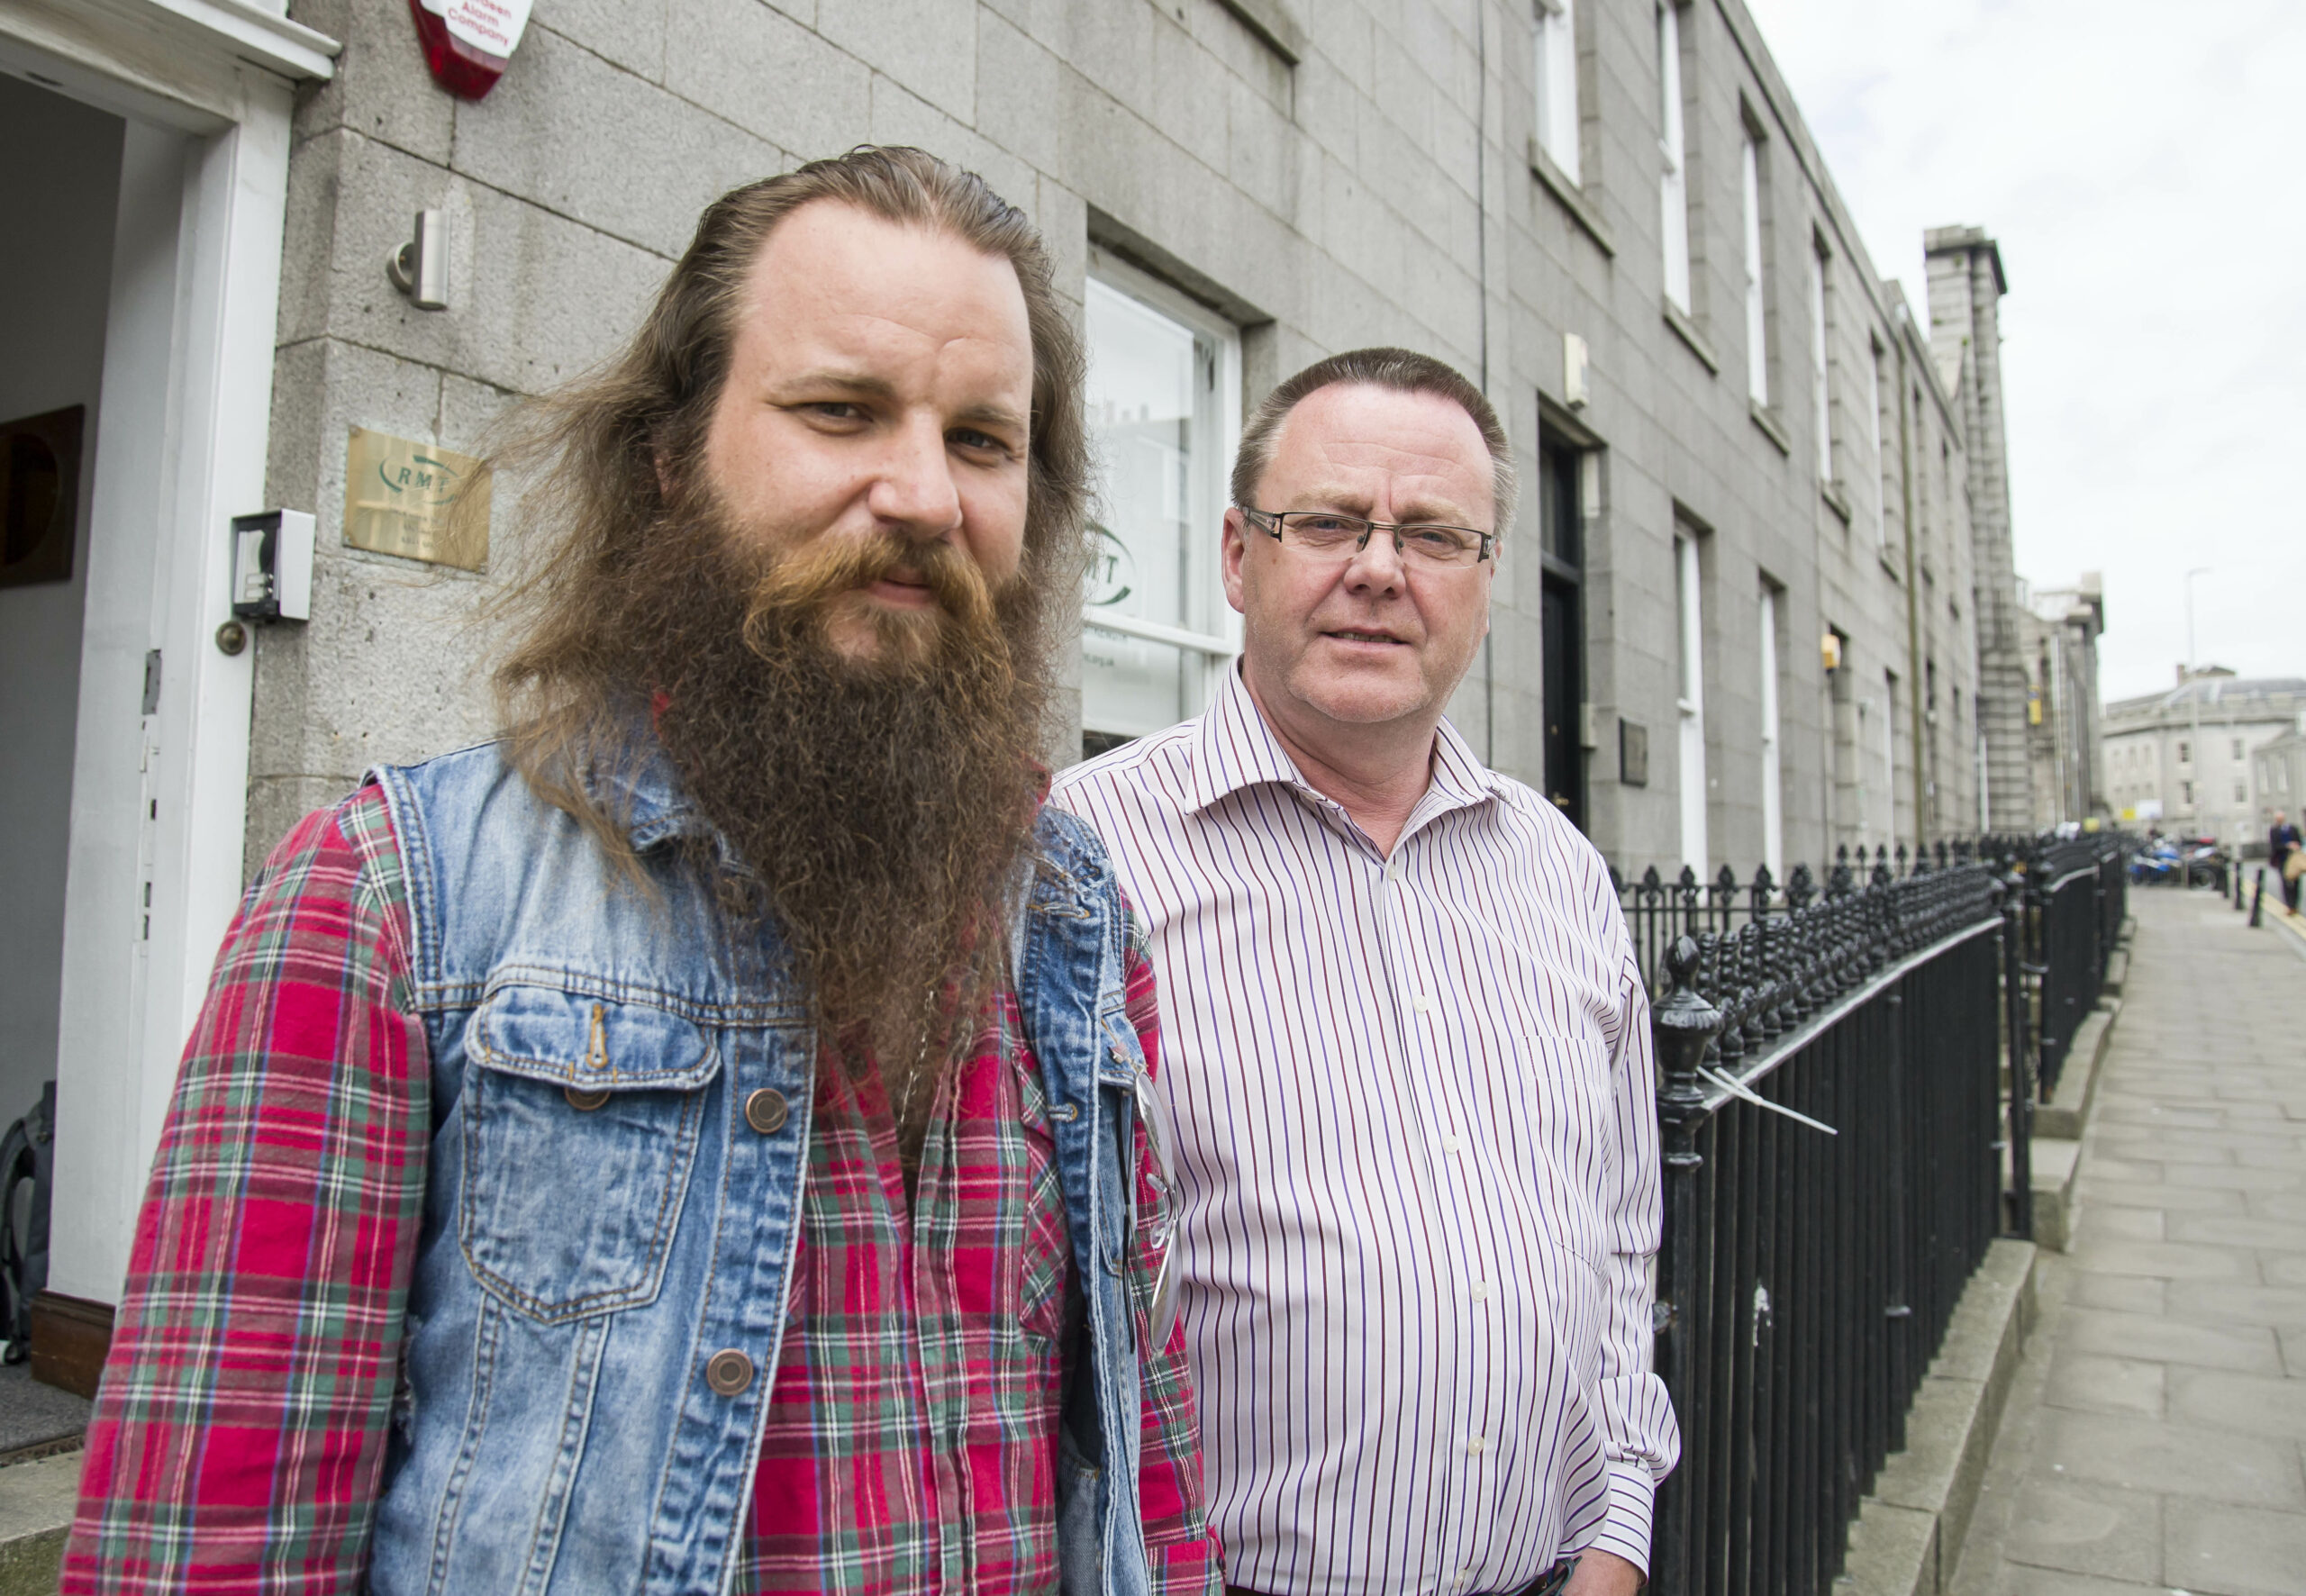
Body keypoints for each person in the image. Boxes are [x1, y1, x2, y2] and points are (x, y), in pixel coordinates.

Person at [66, 148, 1221, 1596]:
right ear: (671, 456)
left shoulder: (1067, 912)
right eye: (841, 411)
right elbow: (206, 1541)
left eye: (983, 439)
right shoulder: (392, 899)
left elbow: (1139, 1441)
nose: (926, 493)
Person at [1053, 350, 1677, 1596]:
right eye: (1329, 522)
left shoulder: (1555, 870)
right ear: (1238, 555)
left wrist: (1614, 1543)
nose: (1380, 571)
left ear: (1487, 583)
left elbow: (1619, 1245)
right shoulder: (1085, 856)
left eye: (1436, 535)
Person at [2272, 810, 2303, 912]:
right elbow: (2274, 846)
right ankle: (2289, 905)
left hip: (2295, 861)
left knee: (2296, 883)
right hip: (2283, 861)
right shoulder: (2274, 830)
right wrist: (2287, 846)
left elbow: (2300, 842)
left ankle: (2295, 905)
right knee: (2285, 883)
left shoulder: (2293, 829)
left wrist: (2296, 845)